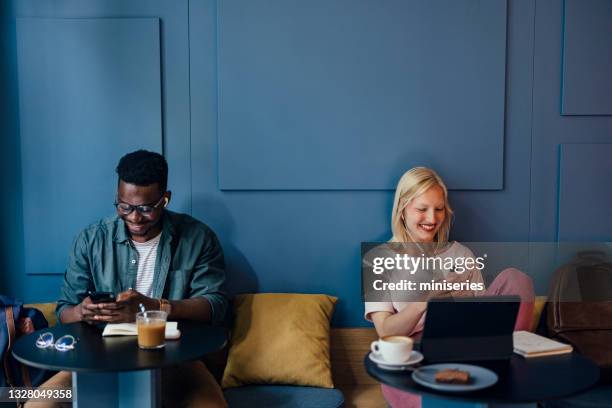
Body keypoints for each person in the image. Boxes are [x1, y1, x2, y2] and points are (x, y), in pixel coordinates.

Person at [27, 150, 229, 408]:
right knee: (38, 404)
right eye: (125, 207)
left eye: (145, 208)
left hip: (176, 363)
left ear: (165, 199)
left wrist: (154, 307)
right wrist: (83, 311)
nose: (134, 217)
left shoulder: (198, 238)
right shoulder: (91, 240)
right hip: (96, 362)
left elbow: (215, 305)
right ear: (117, 197)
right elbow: (64, 310)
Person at [364, 167, 534, 408]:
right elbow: (386, 332)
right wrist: (427, 300)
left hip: (470, 350)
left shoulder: (461, 254)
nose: (432, 219)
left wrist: (467, 305)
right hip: (414, 358)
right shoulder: (377, 259)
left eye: (439, 209)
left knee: (517, 279)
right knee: (448, 397)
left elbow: (486, 318)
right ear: (402, 209)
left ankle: (506, 365)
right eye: (422, 209)